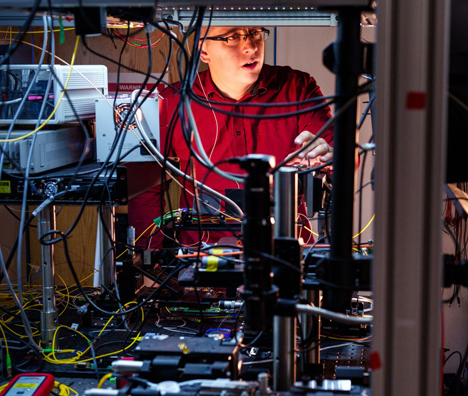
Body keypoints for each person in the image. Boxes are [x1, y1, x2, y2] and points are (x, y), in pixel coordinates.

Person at [128, 26, 333, 248]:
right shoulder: (170, 103)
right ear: (204, 51)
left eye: (255, 34)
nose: (251, 47)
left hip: (287, 253)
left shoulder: (297, 87)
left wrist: (329, 155)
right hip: (201, 259)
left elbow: (340, 152)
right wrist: (150, 262)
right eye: (233, 37)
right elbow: (145, 189)